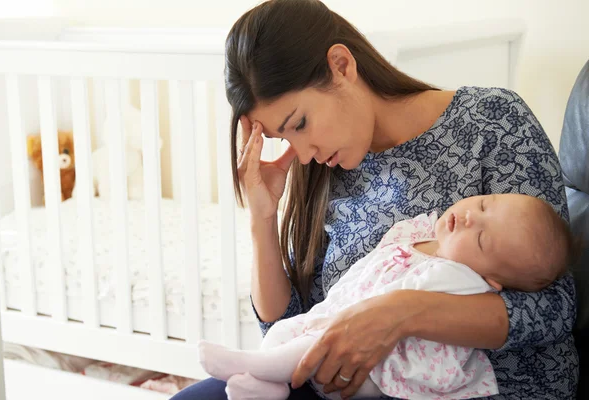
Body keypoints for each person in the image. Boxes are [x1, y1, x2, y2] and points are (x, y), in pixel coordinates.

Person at [171, 0, 578, 399]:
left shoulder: (492, 120)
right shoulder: (326, 170)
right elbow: (293, 331)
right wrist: (263, 217)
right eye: (284, 137)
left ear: (342, 66)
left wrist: (399, 314)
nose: (304, 151)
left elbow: (553, 308)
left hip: (486, 387)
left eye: (300, 123)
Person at [197, 193, 574, 400]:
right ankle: (266, 385)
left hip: (378, 370)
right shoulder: (422, 231)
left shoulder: (463, 279)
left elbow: (558, 308)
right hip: (332, 322)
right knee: (283, 333)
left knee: (311, 344)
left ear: (492, 279)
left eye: (480, 238)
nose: (471, 217)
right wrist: (262, 219)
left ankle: (259, 369)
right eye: (484, 204)